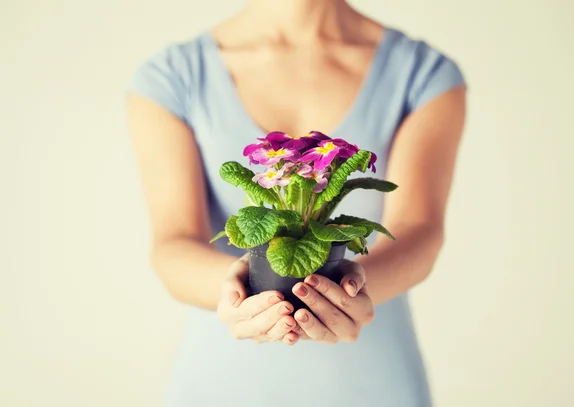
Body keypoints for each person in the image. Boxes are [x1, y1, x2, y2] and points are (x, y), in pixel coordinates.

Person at [126, 0, 466, 405]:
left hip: (371, 385)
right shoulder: (172, 77)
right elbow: (174, 243)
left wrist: (351, 290)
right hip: (223, 384)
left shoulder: (423, 74)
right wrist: (239, 293)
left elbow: (418, 231)